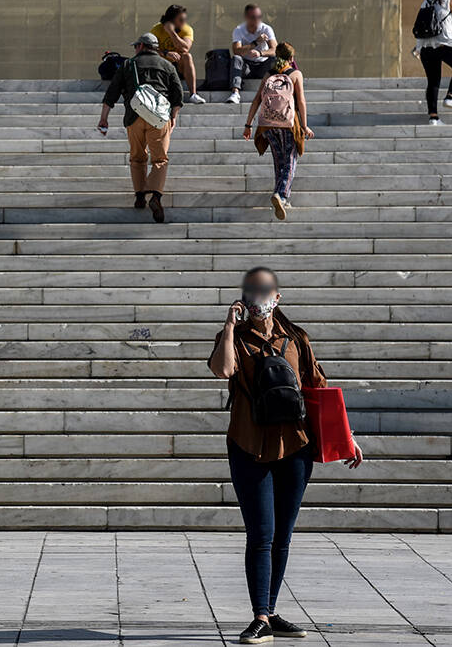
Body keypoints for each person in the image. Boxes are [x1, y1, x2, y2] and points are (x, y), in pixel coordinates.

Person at [208, 267, 363, 645]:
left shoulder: (296, 339)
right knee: (261, 534)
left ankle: (271, 612)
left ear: (277, 298)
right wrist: (229, 327)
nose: (258, 298)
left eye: (264, 292)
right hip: (248, 446)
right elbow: (222, 369)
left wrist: (348, 438)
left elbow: (319, 388)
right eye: (251, 292)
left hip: (295, 446)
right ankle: (260, 616)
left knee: (283, 537)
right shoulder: (235, 339)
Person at [98, 33, 184, 223]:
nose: (135, 49)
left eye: (136, 46)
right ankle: (155, 196)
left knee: (137, 157)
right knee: (160, 159)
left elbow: (111, 92)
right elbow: (178, 95)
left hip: (134, 117)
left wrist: (104, 118)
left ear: (142, 46)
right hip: (159, 119)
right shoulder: (167, 65)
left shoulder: (128, 65)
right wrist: (174, 117)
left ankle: (139, 196)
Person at [241, 43, 312, 222]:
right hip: (288, 123)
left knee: (279, 161)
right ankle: (281, 195)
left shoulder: (268, 74)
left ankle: (281, 197)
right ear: (291, 58)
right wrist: (305, 125)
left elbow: (257, 99)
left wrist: (248, 124)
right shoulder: (295, 74)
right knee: (290, 160)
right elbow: (301, 101)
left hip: (267, 124)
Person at [150, 5, 206, 104]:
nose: (183, 22)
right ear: (171, 20)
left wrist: (171, 32)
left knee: (187, 56)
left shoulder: (187, 29)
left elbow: (185, 48)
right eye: (180, 20)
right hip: (163, 67)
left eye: (184, 19)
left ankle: (193, 94)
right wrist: (166, 53)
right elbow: (149, 50)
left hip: (179, 66)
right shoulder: (157, 29)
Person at [226, 4, 278, 105]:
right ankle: (235, 93)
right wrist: (255, 43)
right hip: (247, 67)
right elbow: (236, 50)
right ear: (247, 18)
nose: (257, 20)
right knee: (236, 58)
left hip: (263, 65)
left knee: (274, 59)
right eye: (253, 17)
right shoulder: (239, 30)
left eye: (259, 17)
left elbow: (275, 50)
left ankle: (274, 91)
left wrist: (260, 53)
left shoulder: (266, 29)